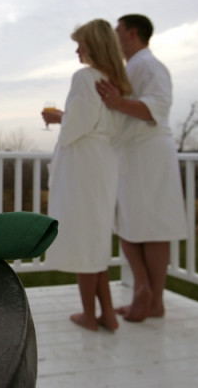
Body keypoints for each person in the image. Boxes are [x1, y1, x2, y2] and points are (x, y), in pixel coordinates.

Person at [95, 14, 187, 322]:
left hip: (148, 152)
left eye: (118, 31)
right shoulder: (131, 67)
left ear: (132, 33)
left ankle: (150, 297)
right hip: (131, 154)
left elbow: (156, 107)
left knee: (152, 227)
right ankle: (146, 294)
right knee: (129, 225)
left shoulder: (149, 65)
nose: (115, 36)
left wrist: (117, 101)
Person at [42, 19, 132, 332]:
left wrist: (60, 122)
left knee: (83, 239)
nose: (77, 50)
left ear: (93, 46)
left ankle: (89, 316)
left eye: (80, 43)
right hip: (103, 162)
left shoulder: (85, 77)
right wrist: (66, 119)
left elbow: (75, 129)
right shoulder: (117, 82)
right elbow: (96, 122)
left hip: (83, 166)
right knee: (94, 240)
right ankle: (106, 313)